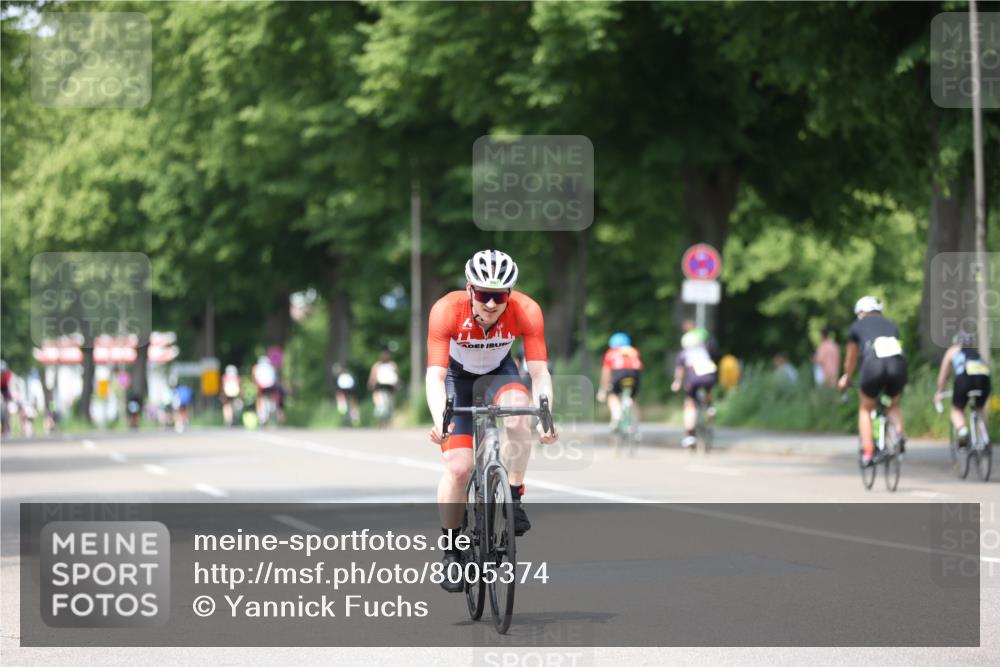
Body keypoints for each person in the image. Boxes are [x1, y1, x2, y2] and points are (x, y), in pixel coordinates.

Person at [426, 249, 558, 592]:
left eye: (498, 296)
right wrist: (441, 420)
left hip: (500, 372)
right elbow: (434, 377)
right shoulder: (446, 310)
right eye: (483, 295)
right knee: (458, 468)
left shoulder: (526, 311)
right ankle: (452, 550)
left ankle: (513, 497)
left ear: (509, 294)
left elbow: (540, 372)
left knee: (518, 418)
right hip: (457, 380)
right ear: (470, 289)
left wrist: (545, 414)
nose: (490, 304)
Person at [838, 295, 907, 464]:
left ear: (861, 313)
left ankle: (868, 452)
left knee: (866, 408)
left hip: (873, 364)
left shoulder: (857, 326)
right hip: (898, 364)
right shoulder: (891, 325)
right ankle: (898, 435)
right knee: (892, 404)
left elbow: (851, 358)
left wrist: (847, 377)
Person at [935, 331, 991, 448]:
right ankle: (984, 438)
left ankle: (962, 431)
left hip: (965, 379)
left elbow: (943, 374)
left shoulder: (952, 351)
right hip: (984, 379)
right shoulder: (977, 353)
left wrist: (939, 391)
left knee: (956, 410)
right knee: (979, 409)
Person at [672, 327, 718, 448]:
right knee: (708, 389)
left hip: (694, 378)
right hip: (709, 375)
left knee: (690, 404)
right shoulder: (705, 351)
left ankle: (690, 436)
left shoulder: (684, 353)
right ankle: (709, 407)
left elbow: (680, 371)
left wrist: (677, 383)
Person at [597, 332, 643, 430]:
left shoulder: (611, 353)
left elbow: (606, 373)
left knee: (613, 396)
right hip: (635, 375)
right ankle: (636, 425)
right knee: (633, 398)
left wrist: (603, 390)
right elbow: (639, 367)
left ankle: (617, 415)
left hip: (619, 374)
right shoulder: (633, 351)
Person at [368, 350, 399, 424]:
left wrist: (371, 384)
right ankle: (391, 408)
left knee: (375, 393)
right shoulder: (392, 364)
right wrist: (397, 384)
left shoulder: (377, 365)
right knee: (392, 395)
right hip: (390, 384)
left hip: (380, 384)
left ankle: (378, 406)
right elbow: (396, 376)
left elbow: (373, 376)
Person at [252, 355, 278, 425]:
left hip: (262, 386)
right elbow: (275, 378)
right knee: (271, 398)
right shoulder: (271, 367)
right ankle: (271, 409)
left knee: (259, 399)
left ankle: (261, 415)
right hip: (271, 386)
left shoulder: (257, 367)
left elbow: (255, 378)